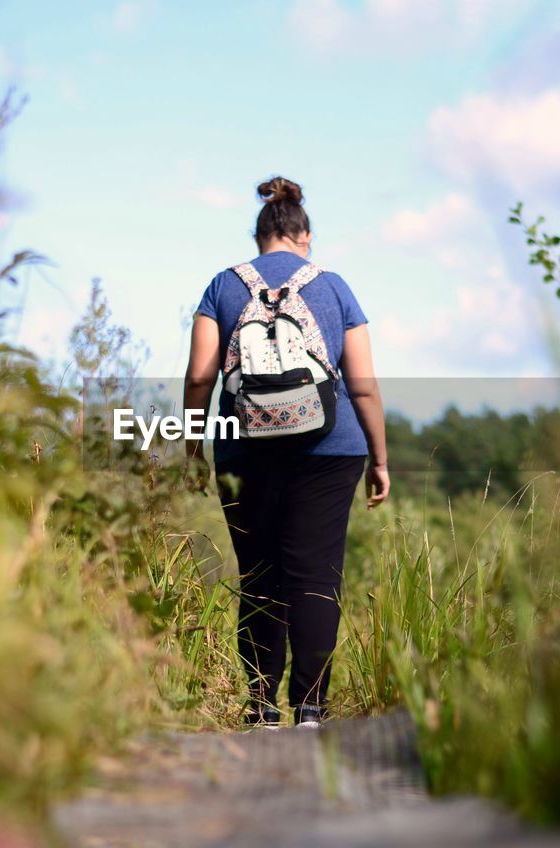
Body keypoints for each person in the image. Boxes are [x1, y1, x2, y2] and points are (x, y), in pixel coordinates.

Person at [183, 176, 389, 729]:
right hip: (329, 446)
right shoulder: (335, 286)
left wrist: (191, 445)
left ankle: (259, 707)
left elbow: (202, 376)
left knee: (259, 574)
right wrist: (380, 458)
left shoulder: (223, 286)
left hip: (243, 448)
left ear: (258, 236)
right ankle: (311, 708)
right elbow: (363, 384)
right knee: (316, 575)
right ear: (306, 236)